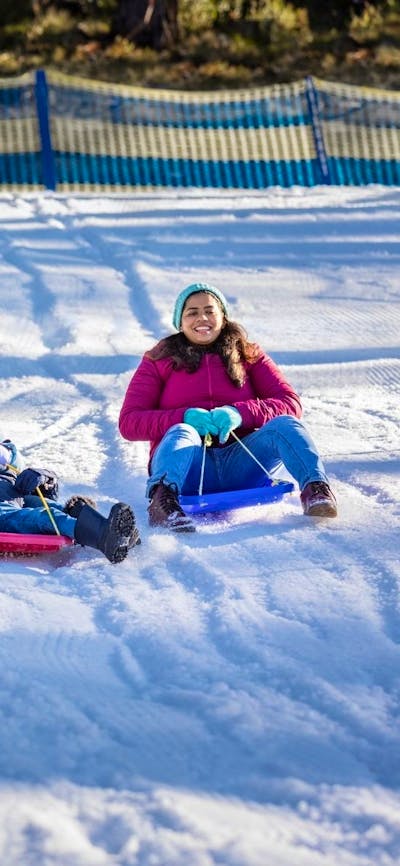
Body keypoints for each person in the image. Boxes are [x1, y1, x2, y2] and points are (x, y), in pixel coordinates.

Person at [119, 282, 337, 533]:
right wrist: (185, 417)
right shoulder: (158, 360)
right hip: (189, 468)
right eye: (191, 312)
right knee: (182, 431)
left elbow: (290, 403)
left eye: (210, 310)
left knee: (286, 425)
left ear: (223, 316)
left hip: (242, 463)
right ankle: (163, 501)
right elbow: (129, 422)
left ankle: (316, 490)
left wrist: (239, 414)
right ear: (180, 322)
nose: (202, 318)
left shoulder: (249, 355)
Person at [0, 439, 140, 563]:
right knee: (48, 517)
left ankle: (116, 531)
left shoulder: (8, 452)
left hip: (15, 495)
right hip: (3, 510)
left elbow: (24, 474)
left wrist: (43, 476)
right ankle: (103, 538)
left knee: (66, 509)